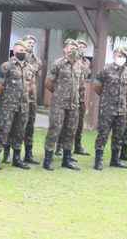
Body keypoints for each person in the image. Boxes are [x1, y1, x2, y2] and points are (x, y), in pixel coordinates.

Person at [0, 41, 35, 170]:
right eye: (21, 49)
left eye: (25, 50)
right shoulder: (6, 66)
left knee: (19, 132)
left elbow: (31, 84)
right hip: (8, 105)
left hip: (23, 105)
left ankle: (17, 158)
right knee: (3, 130)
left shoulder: (30, 68)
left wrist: (28, 93)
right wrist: (7, 98)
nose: (23, 52)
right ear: (15, 50)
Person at [42, 39, 83, 171]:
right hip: (59, 104)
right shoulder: (58, 63)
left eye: (75, 48)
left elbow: (80, 85)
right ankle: (47, 159)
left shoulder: (79, 65)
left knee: (70, 131)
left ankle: (66, 159)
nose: (73, 50)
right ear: (65, 49)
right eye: (70, 47)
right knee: (55, 129)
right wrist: (59, 93)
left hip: (73, 104)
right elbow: (48, 82)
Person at [92, 47, 127, 170]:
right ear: (114, 56)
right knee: (103, 134)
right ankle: (98, 160)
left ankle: (115, 160)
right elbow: (97, 86)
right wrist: (107, 97)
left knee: (118, 135)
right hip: (107, 108)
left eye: (123, 55)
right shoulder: (106, 69)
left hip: (122, 109)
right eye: (118, 55)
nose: (120, 57)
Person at [15, 34, 42, 165]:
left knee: (30, 126)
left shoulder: (37, 61)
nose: (31, 44)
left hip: (32, 98)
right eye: (28, 42)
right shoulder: (15, 58)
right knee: (17, 126)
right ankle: (12, 153)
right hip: (19, 97)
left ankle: (28, 154)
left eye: (32, 43)